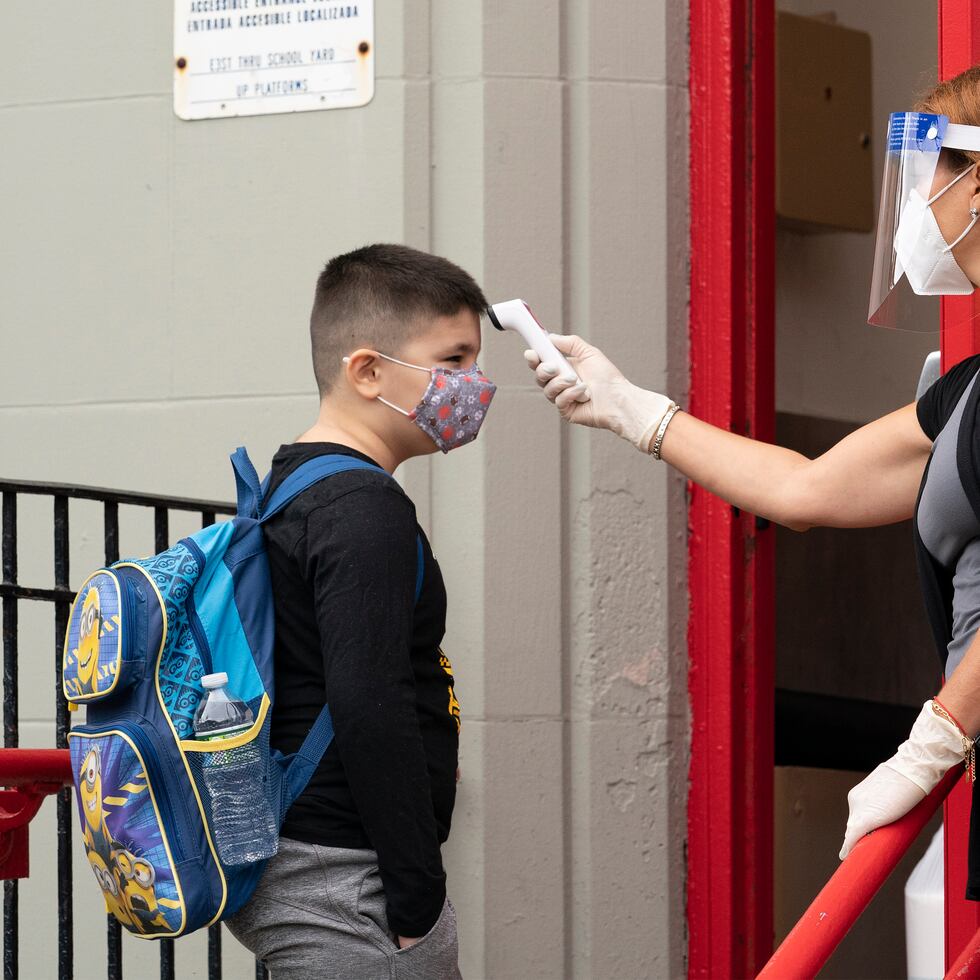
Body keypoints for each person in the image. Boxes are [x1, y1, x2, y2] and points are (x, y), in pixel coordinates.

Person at [524, 67, 980, 895]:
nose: (915, 207)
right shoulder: (967, 391)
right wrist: (635, 411)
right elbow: (805, 489)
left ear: (978, 182)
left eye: (927, 177)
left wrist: (934, 742)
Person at [226, 244, 496, 977]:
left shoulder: (291, 485)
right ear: (368, 371)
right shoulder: (361, 508)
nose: (473, 385)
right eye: (454, 359)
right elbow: (370, 703)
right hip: (346, 885)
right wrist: (414, 903)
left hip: (309, 864)